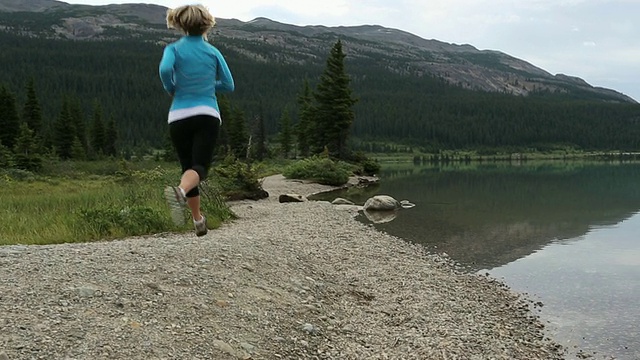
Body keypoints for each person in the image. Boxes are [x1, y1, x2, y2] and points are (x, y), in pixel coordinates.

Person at [159, 4, 234, 236]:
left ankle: (198, 220)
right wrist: (210, 85)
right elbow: (229, 85)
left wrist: (172, 86)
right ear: (207, 24)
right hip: (207, 114)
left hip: (179, 116)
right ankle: (180, 191)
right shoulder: (213, 52)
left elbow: (164, 70)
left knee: (188, 167)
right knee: (199, 168)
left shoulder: (173, 49)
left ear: (180, 24)